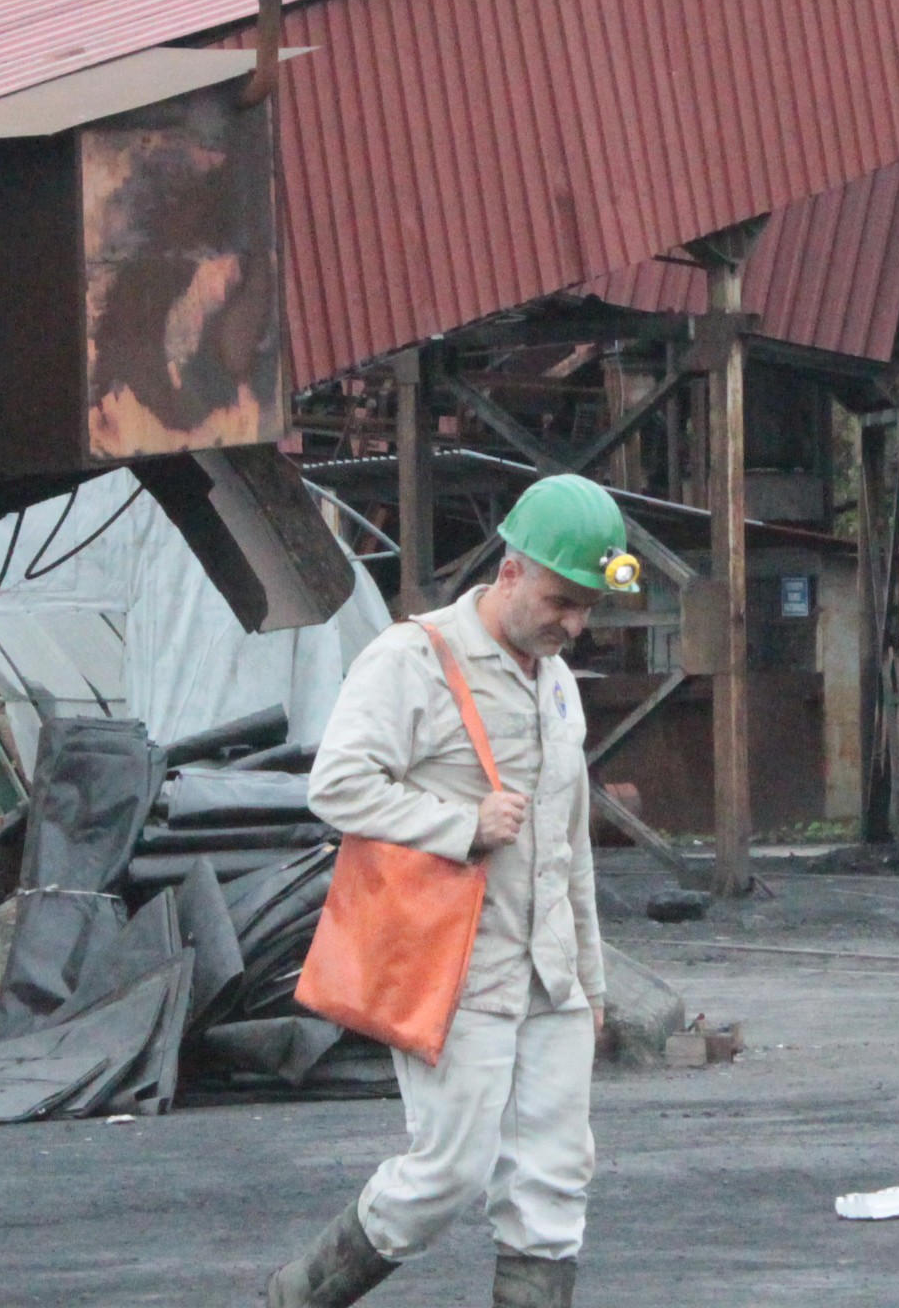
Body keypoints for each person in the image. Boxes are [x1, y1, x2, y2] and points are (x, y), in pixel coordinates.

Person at [267, 472, 641, 1308]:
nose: (574, 626)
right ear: (511, 570)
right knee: (447, 1174)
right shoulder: (414, 659)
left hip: (549, 973)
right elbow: (336, 785)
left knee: (554, 1182)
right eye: (561, 600)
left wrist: (591, 976)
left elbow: (570, 839)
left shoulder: (555, 682)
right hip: (457, 968)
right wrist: (459, 823)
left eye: (587, 608)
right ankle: (294, 1298)